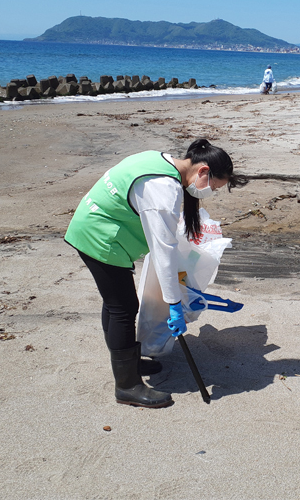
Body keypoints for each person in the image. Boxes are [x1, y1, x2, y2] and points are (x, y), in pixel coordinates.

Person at [65, 139, 248, 409]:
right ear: (203, 171)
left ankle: (126, 361)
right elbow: (164, 252)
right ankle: (126, 385)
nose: (212, 193)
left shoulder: (160, 160)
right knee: (123, 308)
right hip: (99, 237)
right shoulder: (163, 189)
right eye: (214, 187)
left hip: (95, 225)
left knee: (118, 302)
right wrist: (174, 304)